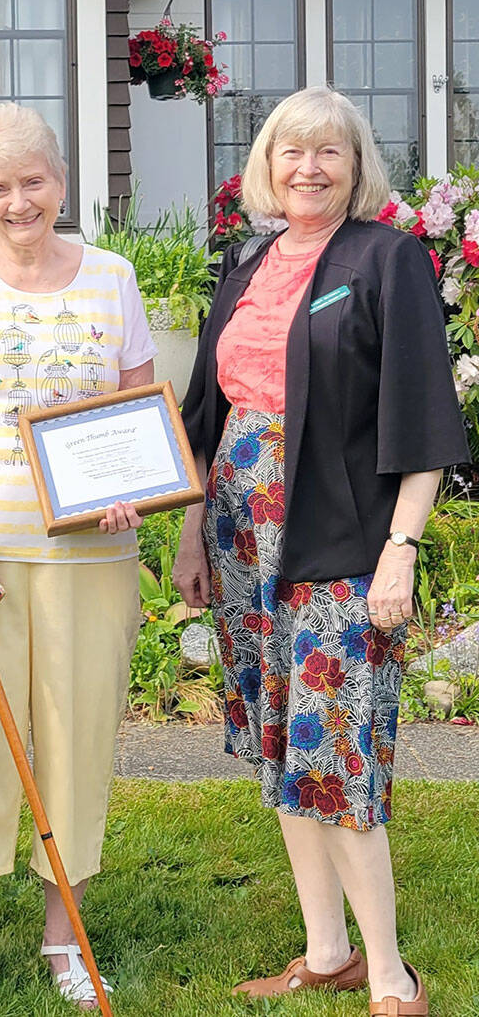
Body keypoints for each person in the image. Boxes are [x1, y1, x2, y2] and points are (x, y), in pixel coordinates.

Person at [173, 86, 467, 1017]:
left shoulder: (389, 257)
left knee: (335, 746)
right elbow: (204, 410)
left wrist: (402, 550)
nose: (309, 167)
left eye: (328, 152)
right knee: (281, 739)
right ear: (266, 162)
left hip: (340, 537)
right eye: (292, 151)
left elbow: (423, 417)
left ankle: (389, 973)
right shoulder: (247, 258)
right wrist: (190, 532)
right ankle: (326, 949)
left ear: (355, 165)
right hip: (239, 530)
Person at [0, 102, 156, 1015]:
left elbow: (140, 412)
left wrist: (136, 480)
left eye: (33, 182)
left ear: (62, 182)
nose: (18, 202)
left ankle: (63, 940)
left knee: (77, 743)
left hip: (94, 555)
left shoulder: (112, 277)